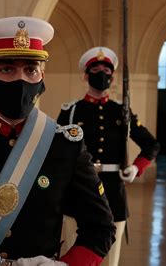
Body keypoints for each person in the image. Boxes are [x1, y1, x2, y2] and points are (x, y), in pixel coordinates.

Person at [0, 17, 116, 266]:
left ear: (42, 76)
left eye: (31, 70)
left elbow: (100, 227)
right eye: (7, 69)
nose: (22, 80)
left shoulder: (64, 145)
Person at [57, 47, 160, 266]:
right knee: (75, 254)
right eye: (95, 68)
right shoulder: (72, 111)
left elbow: (151, 144)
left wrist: (136, 168)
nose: (101, 72)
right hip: (79, 189)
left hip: (113, 190)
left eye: (106, 69)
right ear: (86, 75)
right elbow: (58, 150)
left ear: (112, 78)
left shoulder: (120, 111)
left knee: (111, 259)